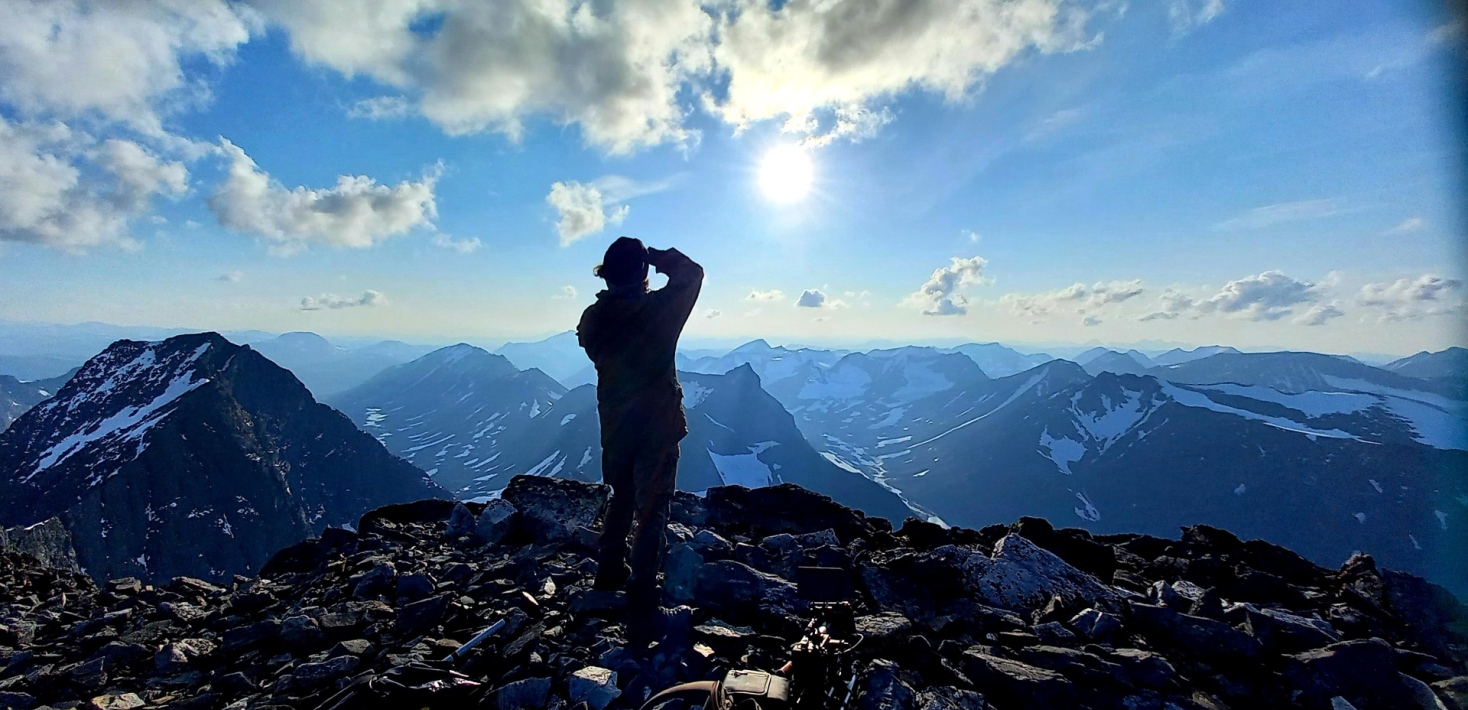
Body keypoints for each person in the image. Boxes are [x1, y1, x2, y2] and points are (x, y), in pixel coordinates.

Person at [577, 236, 703, 605]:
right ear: (643, 273)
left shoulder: (593, 319)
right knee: (652, 507)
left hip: (616, 426)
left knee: (620, 499)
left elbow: (592, 346)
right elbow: (692, 275)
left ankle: (609, 572)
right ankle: (642, 587)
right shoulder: (659, 312)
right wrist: (658, 256)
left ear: (607, 276)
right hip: (658, 426)